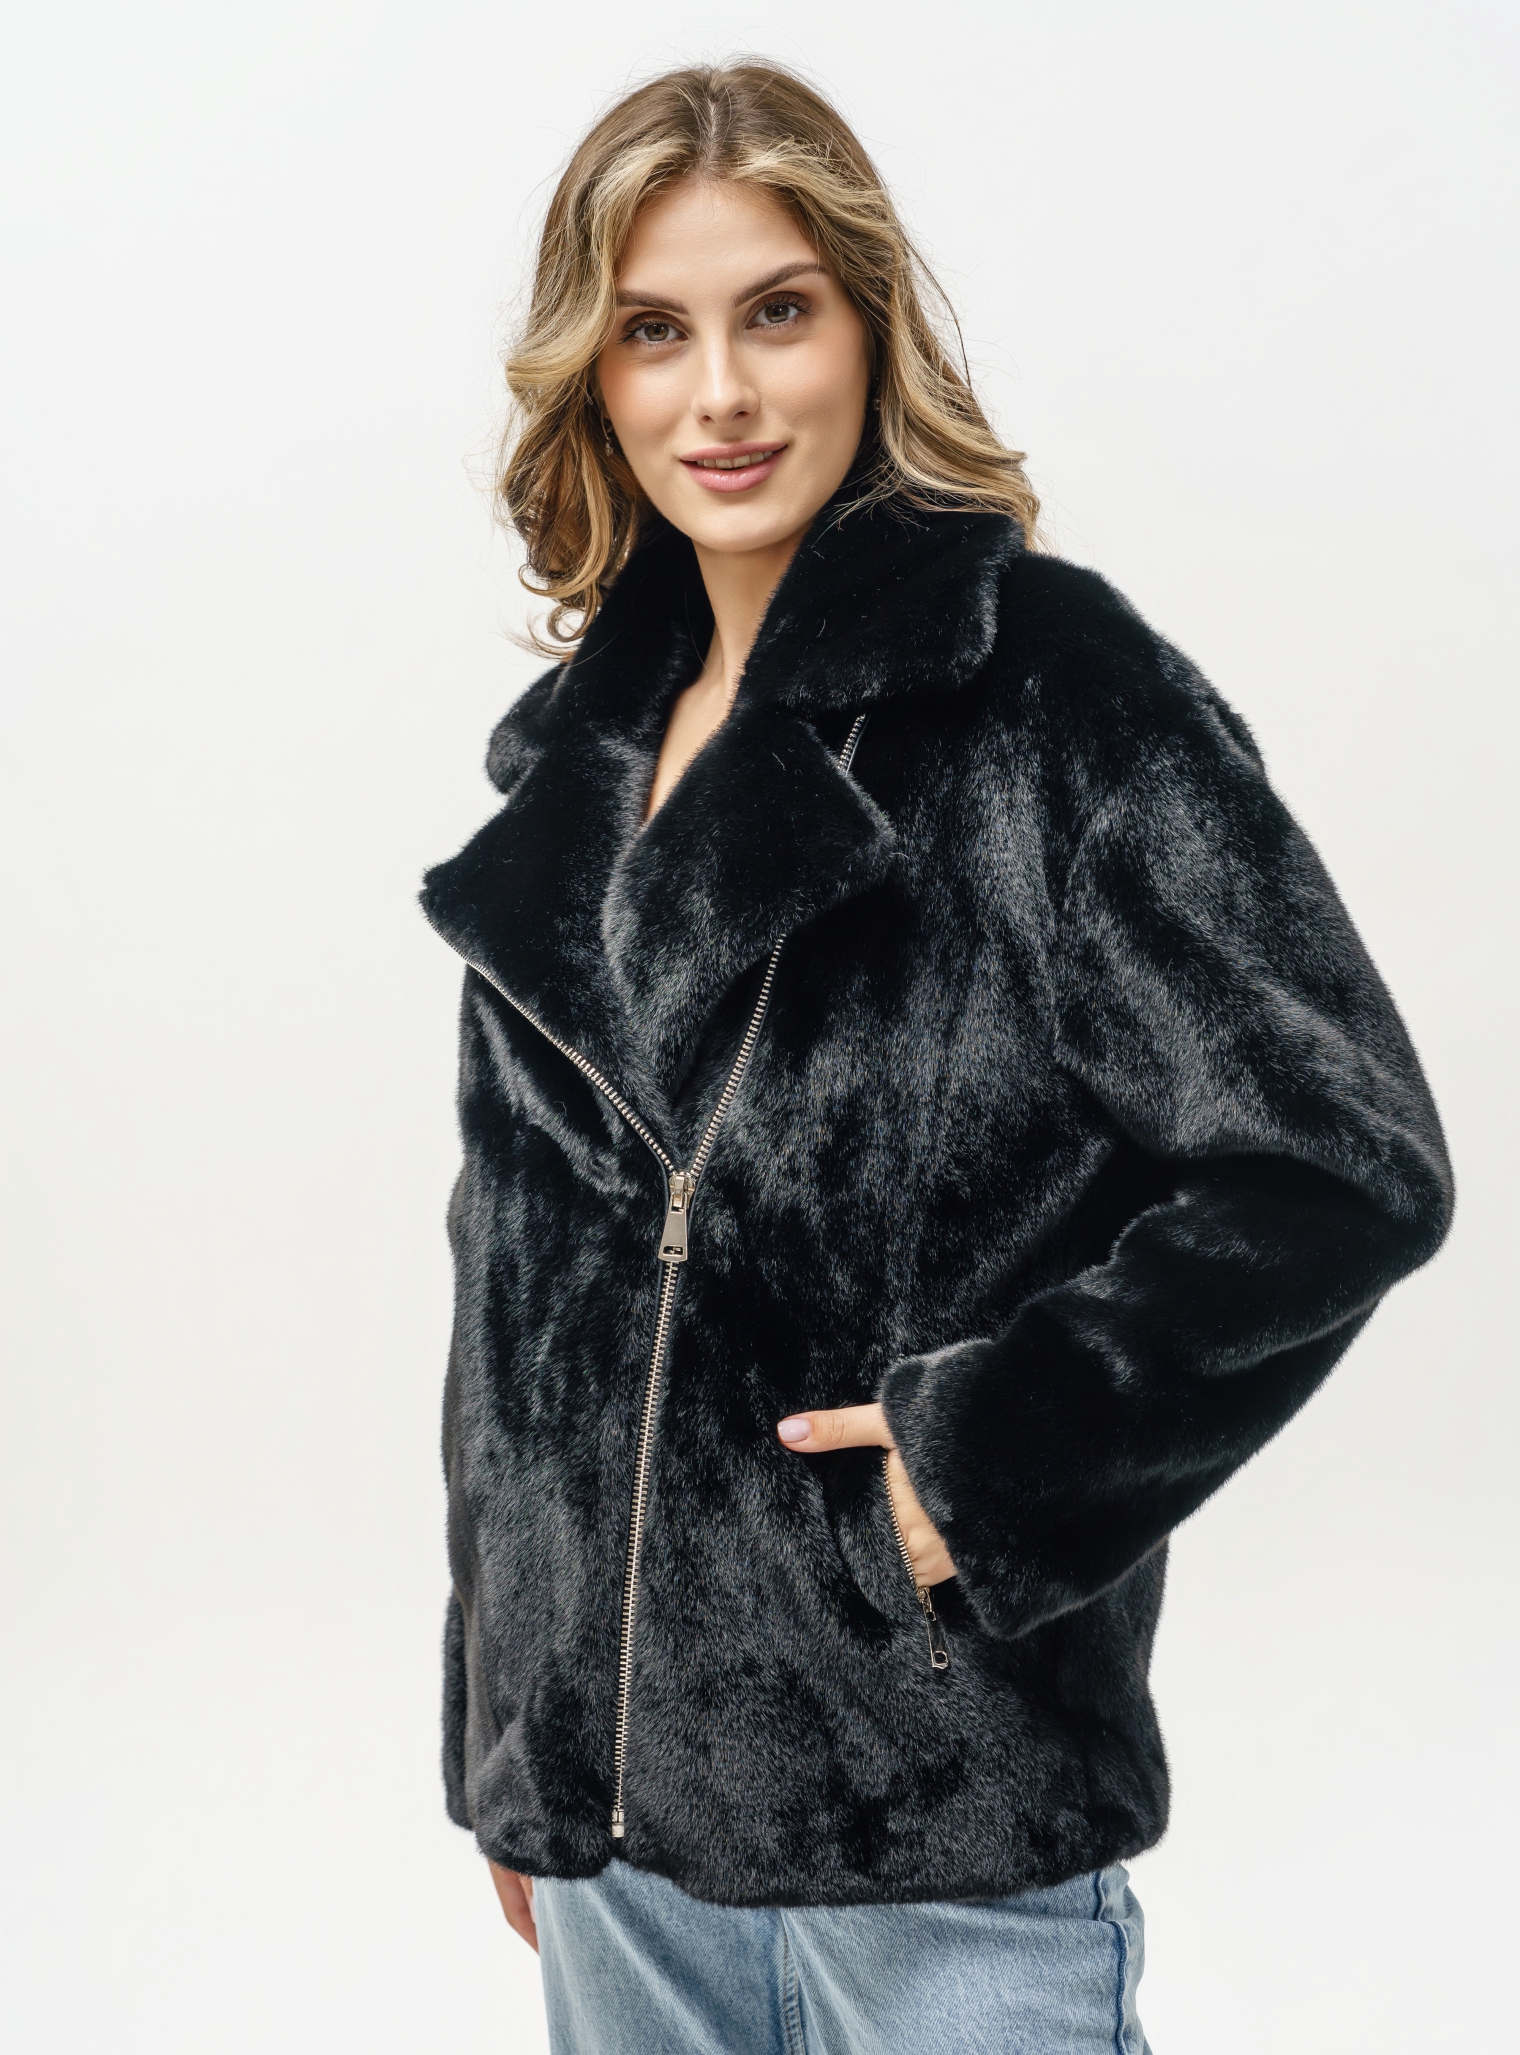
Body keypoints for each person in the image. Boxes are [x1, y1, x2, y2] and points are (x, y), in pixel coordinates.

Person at [421, 61, 1452, 2055]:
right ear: (592, 379)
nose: (721, 394)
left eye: (776, 311)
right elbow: (512, 1292)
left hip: (930, 1797)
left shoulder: (1049, 689)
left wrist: (994, 1460)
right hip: (618, 1843)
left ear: (871, 326)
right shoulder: (573, 766)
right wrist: (508, 1729)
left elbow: (1337, 1162)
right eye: (655, 331)